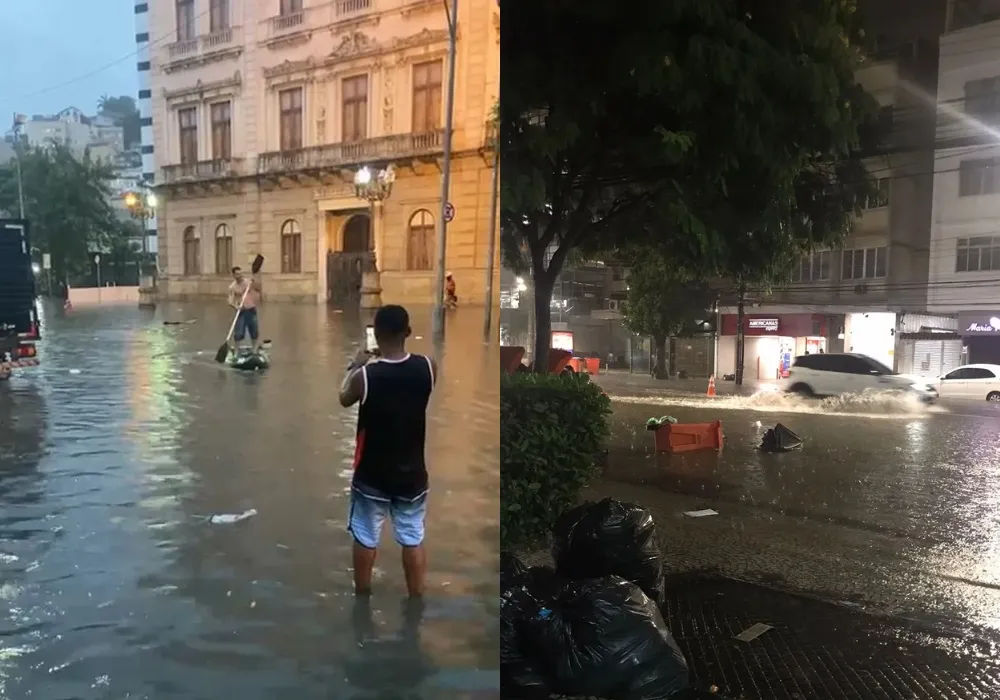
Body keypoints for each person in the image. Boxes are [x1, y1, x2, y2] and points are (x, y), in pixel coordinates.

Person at [339, 305, 437, 597]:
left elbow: (344, 398)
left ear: (376, 335)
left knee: (366, 537)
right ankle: (416, 596)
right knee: (412, 537)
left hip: (372, 475)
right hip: (413, 475)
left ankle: (363, 597)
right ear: (407, 332)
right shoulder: (429, 367)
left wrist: (356, 364)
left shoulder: (366, 377)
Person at [227, 266, 261, 354]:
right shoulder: (232, 287)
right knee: (239, 333)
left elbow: (258, 288)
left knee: (254, 331)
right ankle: (238, 351)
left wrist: (254, 281)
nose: (240, 275)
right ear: (234, 275)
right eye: (237, 274)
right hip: (241, 312)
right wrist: (236, 306)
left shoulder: (248, 282)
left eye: (240, 273)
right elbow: (230, 301)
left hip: (251, 310)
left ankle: (254, 349)